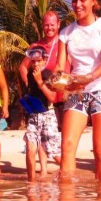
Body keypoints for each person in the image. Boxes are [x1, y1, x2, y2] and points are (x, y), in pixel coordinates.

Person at [55, 0, 101, 181]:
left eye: (82, 0)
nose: (77, 4)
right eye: (74, 0)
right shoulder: (65, 33)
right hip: (77, 91)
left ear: (93, 1)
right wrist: (59, 80)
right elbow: (59, 67)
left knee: (100, 150)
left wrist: (86, 78)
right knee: (67, 146)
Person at [19, 11, 68, 130]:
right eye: (46, 25)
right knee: (41, 140)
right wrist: (30, 85)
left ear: (58, 24)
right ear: (42, 25)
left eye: (52, 24)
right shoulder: (36, 46)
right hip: (42, 101)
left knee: (62, 139)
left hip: (61, 98)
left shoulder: (64, 45)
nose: (49, 28)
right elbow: (23, 67)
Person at [22, 46, 61, 181]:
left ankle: (69, 173)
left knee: (53, 151)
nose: (36, 64)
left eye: (39, 61)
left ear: (45, 60)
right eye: (33, 62)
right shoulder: (29, 75)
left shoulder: (48, 74)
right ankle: (31, 185)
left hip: (48, 116)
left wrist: (40, 82)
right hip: (33, 115)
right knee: (30, 149)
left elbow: (52, 98)